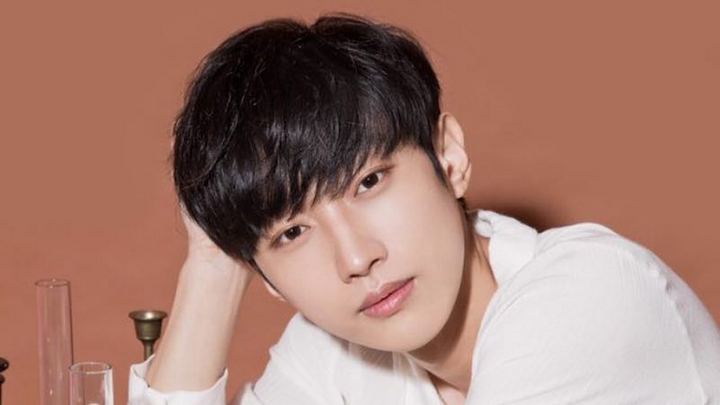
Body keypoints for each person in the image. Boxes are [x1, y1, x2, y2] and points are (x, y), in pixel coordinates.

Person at [128, 13, 720, 404]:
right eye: (292, 233)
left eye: (368, 182)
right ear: (267, 279)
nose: (356, 258)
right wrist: (213, 260)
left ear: (449, 157)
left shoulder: (586, 296)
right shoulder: (331, 350)